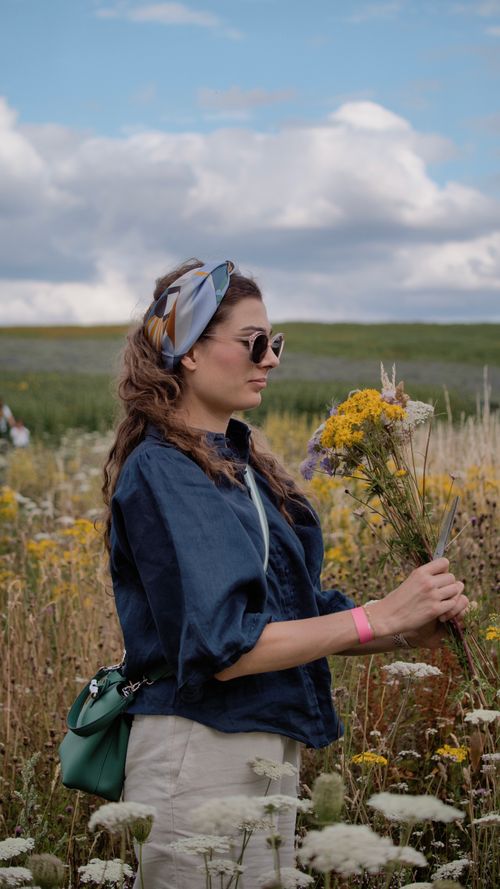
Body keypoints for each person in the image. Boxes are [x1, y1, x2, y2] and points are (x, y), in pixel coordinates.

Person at [103, 259, 468, 889]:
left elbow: (293, 615)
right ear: (189, 353)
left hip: (259, 742)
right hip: (199, 747)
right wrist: (376, 617)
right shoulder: (165, 470)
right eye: (253, 342)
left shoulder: (242, 468)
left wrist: (409, 627)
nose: (270, 359)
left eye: (275, 343)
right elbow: (224, 646)